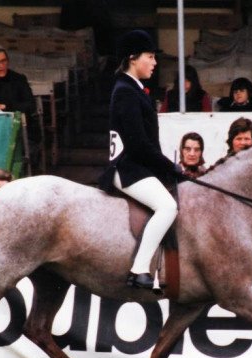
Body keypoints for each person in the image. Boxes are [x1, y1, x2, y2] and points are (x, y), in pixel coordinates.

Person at [99, 29, 179, 289]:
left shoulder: (133, 89)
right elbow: (138, 145)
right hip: (127, 167)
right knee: (168, 207)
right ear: (133, 57)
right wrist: (171, 168)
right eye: (151, 56)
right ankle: (139, 269)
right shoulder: (125, 91)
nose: (155, 63)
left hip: (137, 164)